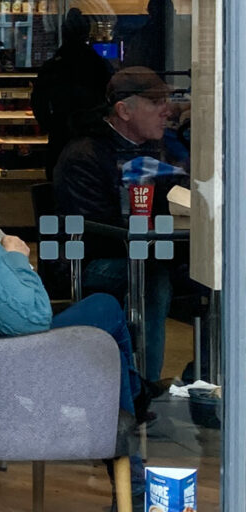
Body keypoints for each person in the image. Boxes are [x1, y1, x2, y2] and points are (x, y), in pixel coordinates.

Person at [0, 118, 142, 424]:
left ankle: (135, 402)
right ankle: (131, 427)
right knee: (105, 308)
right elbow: (31, 321)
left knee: (111, 339)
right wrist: (17, 257)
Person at [52, 65, 190, 379]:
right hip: (91, 262)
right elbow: (98, 233)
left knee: (222, 275)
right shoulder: (84, 155)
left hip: (151, 252)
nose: (166, 110)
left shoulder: (158, 150)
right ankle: (144, 388)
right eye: (155, 102)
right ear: (123, 110)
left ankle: (210, 378)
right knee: (152, 278)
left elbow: (182, 198)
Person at [31, 7, 114, 178]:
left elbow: (38, 101)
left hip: (61, 131)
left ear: (64, 32)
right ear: (86, 33)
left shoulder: (54, 64)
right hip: (93, 132)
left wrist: (49, 124)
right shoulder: (98, 64)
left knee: (57, 181)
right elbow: (110, 96)